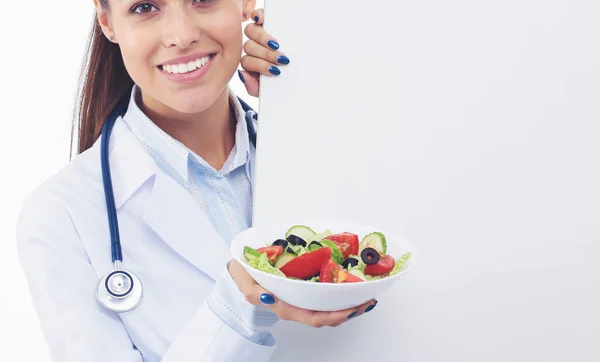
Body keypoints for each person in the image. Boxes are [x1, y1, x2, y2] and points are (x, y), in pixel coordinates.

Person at [16, 1, 376, 361]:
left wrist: (304, 104)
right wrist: (237, 306)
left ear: (247, 3)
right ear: (107, 21)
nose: (182, 35)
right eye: (145, 7)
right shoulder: (60, 215)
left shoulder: (314, 150)